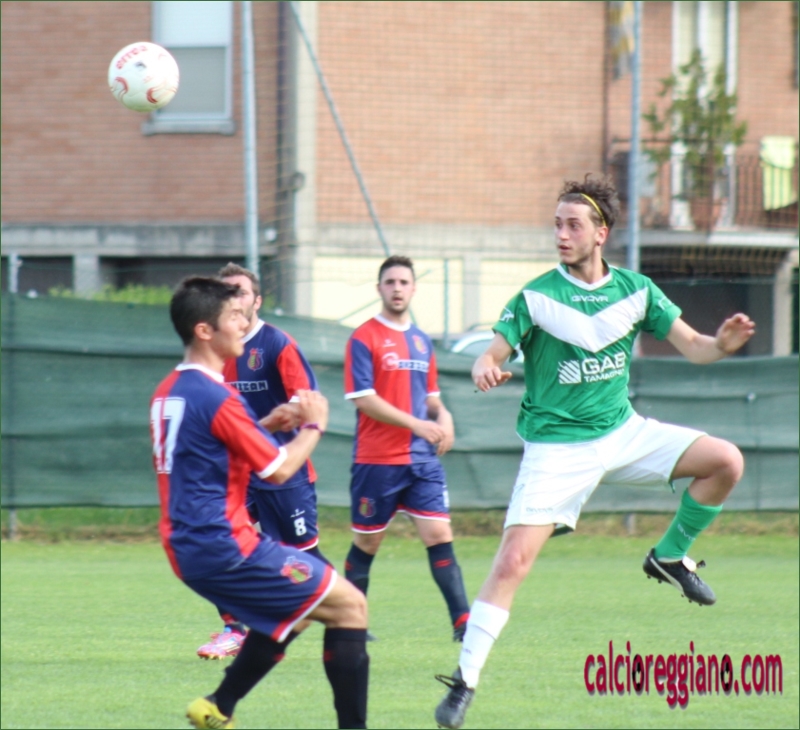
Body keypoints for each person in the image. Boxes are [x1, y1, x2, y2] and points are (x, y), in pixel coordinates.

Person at [434, 175, 755, 729]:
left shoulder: (636, 289)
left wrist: (721, 345)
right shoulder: (536, 296)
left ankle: (669, 556)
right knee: (511, 563)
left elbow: (696, 348)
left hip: (623, 432)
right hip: (557, 450)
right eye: (557, 225)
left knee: (726, 461)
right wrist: (486, 365)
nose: (561, 235)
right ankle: (465, 682)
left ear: (600, 233)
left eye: (573, 225)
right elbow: (493, 351)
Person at [151, 277, 368, 729]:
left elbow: (211, 448)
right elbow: (279, 470)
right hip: (224, 545)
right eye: (233, 316)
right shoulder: (217, 395)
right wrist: (314, 425)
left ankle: (219, 706)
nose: (243, 323)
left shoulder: (170, 389)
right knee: (349, 606)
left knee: (297, 612)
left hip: (191, 545)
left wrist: (266, 424)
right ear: (204, 330)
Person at [195, 262, 330, 660]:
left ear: (256, 300)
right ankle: (233, 629)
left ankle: (342, 614)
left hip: (282, 471)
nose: (233, 299)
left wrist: (279, 420)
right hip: (235, 472)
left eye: (240, 291)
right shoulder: (214, 349)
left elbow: (306, 401)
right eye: (225, 293)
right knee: (216, 542)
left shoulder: (276, 344)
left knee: (303, 558)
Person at [343, 255, 471, 641]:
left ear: (413, 289)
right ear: (379, 289)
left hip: (421, 460)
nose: (397, 288)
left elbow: (431, 398)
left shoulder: (421, 341)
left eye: (403, 282)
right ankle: (351, 623)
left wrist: (444, 417)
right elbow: (363, 399)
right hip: (377, 460)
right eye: (390, 282)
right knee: (367, 542)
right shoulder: (363, 337)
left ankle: (463, 624)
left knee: (439, 535)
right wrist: (416, 424)